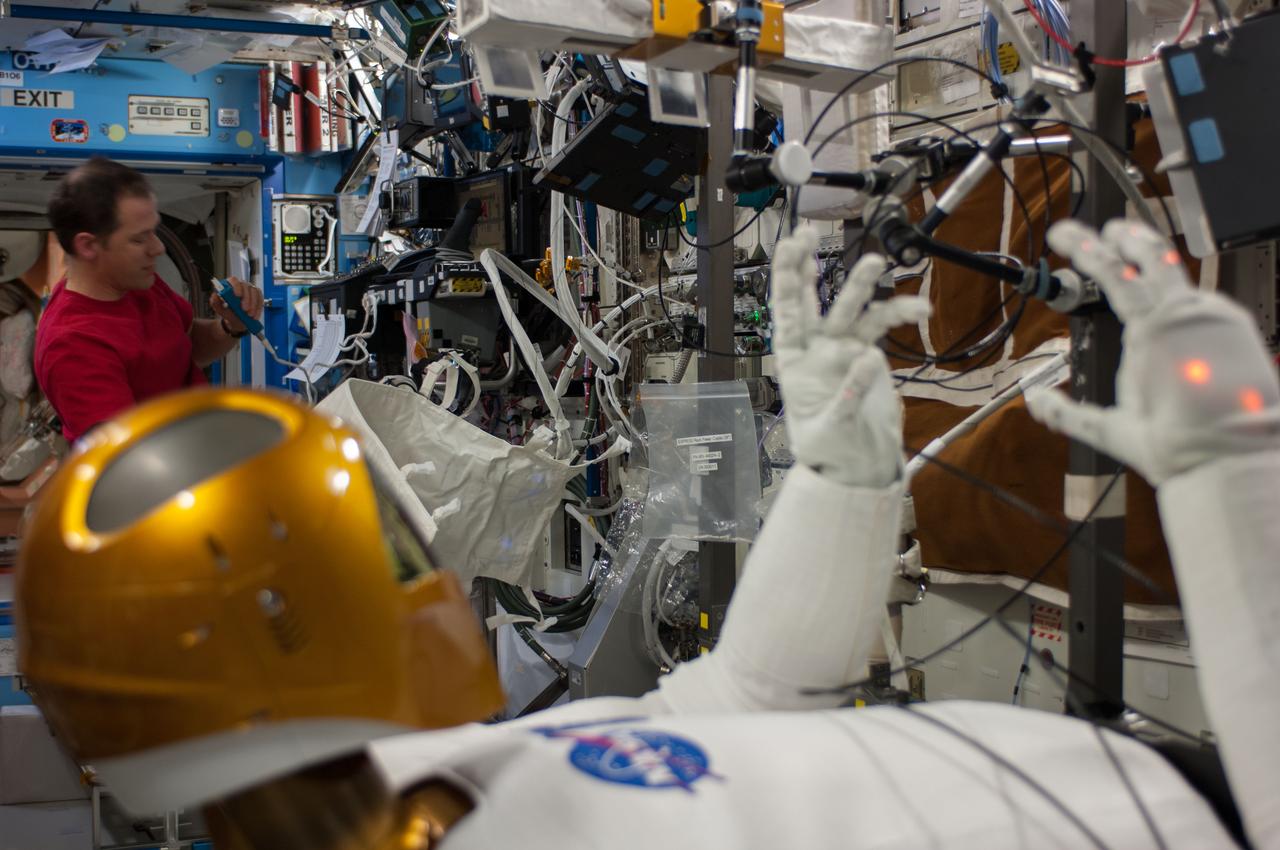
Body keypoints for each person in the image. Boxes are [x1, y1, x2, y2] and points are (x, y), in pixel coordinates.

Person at [15, 218, 1279, 850]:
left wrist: (840, 477)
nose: (443, 576)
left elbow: (734, 701)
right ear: (312, 628)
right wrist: (1237, 489)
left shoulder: (444, 788)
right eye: (403, 547)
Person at [33, 157, 264, 442]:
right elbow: (130, 463)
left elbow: (185, 346)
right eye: (139, 239)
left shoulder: (135, 281)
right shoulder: (72, 346)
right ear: (88, 245)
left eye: (154, 230)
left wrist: (230, 325)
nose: (158, 247)